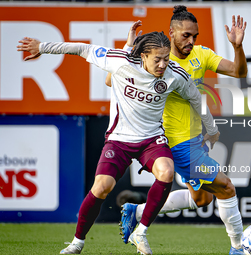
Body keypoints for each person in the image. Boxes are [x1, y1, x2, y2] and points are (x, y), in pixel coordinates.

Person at [17, 27, 219, 255]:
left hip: (152, 139)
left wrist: (211, 129)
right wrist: (42, 47)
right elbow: (82, 48)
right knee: (102, 187)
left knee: (167, 172)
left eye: (165, 58)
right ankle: (77, 242)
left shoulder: (175, 74)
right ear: (143, 56)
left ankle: (140, 232)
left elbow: (196, 98)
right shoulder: (121, 62)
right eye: (157, 60)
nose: (163, 64)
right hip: (119, 140)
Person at [119, 6, 247, 255]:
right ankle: (238, 248)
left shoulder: (202, 55)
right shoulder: (158, 58)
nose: (191, 41)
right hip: (178, 142)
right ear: (171, 33)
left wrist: (238, 46)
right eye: (186, 35)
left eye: (194, 36)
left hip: (195, 140)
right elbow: (115, 78)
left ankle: (137, 211)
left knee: (202, 200)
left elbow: (239, 71)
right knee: (226, 188)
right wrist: (127, 51)